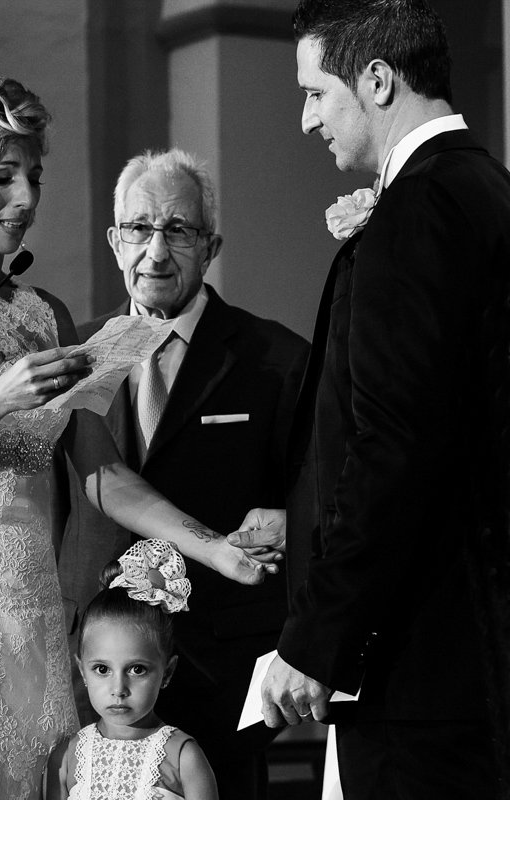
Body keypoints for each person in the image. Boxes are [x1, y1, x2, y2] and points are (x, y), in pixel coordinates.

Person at [0, 75, 274, 800]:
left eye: (33, 177)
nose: (26, 200)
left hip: (30, 611)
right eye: (0, 178)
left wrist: (215, 548)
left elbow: (100, 473)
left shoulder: (45, 314)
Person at [229, 0, 510, 798]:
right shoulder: (490, 192)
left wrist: (317, 641)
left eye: (317, 92)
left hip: (420, 670)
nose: (307, 120)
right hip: (477, 656)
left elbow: (395, 449)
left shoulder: (415, 214)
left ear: (377, 80)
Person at [57, 148, 309, 798]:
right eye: (140, 229)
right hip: (94, 669)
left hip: (221, 668)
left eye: (179, 230)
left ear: (211, 245)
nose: (157, 250)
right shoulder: (74, 359)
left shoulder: (274, 358)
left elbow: (317, 492)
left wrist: (291, 519)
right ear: (115, 242)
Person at [46, 540, 217, 799]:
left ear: (167, 673)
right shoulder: (66, 757)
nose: (118, 689)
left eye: (137, 669)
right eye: (102, 669)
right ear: (82, 670)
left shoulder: (184, 757)